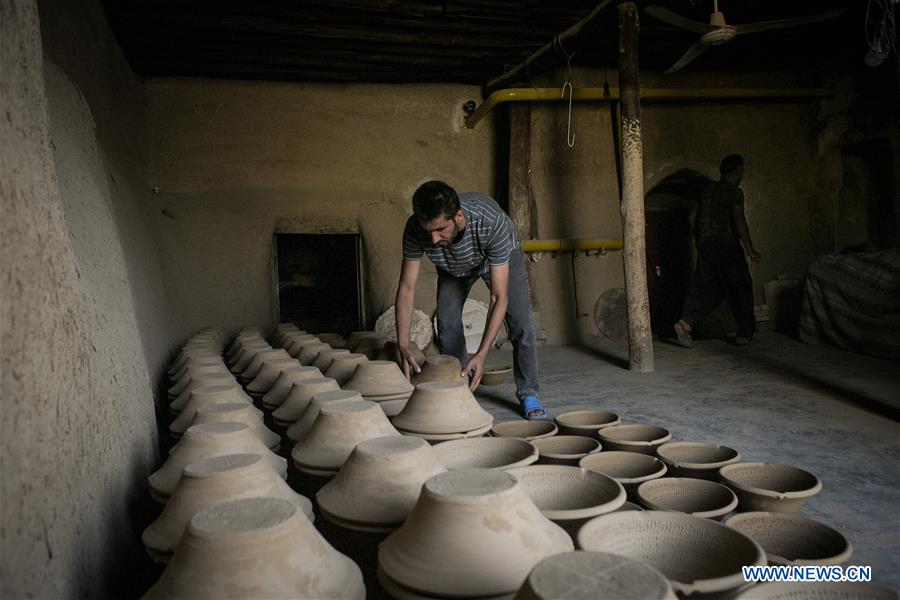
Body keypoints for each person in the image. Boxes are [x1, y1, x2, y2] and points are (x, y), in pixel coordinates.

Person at [394, 180, 546, 419]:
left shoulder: (490, 222)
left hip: (499, 258)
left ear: (459, 216)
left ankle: (529, 393)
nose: (433, 239)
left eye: (440, 229)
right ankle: (459, 388)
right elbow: (406, 288)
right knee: (447, 324)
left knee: (522, 324)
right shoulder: (415, 228)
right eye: (428, 231)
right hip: (453, 266)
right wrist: (403, 343)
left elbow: (498, 297)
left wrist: (483, 353)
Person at [674, 154, 761, 347]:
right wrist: (750, 250)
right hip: (726, 245)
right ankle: (744, 333)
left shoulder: (706, 192)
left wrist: (700, 244)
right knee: (742, 285)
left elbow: (693, 219)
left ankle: (685, 323)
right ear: (738, 171)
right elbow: (739, 219)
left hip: (706, 247)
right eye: (741, 171)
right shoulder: (734, 191)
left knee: (709, 287)